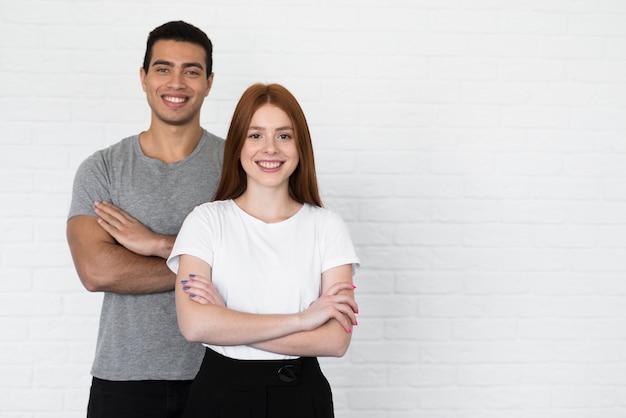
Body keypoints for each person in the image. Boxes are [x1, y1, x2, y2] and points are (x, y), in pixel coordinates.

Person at [166, 83, 360, 418]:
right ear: (238, 145)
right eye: (256, 135)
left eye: (284, 136)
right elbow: (195, 326)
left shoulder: (327, 226)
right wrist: (303, 320)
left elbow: (334, 341)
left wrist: (228, 324)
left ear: (300, 146)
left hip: (301, 398)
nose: (270, 148)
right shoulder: (206, 221)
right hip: (219, 397)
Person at [66, 21, 224, 418]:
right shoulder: (102, 168)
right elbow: (96, 271)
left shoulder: (238, 166)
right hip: (124, 381)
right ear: (143, 77)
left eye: (191, 71)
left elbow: (263, 258)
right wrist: (210, 266)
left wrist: (157, 244)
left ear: (208, 82)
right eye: (163, 68)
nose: (177, 82)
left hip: (222, 374)